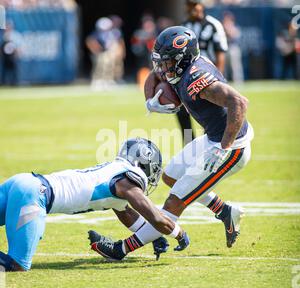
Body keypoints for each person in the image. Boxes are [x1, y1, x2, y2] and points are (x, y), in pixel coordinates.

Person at [93, 26, 254, 261]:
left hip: (231, 147)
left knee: (173, 203)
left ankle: (121, 250)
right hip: (212, 137)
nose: (162, 67)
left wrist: (224, 147)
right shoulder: (179, 69)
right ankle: (224, 211)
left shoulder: (197, 78)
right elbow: (154, 75)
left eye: (167, 62)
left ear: (182, 59)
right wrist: (150, 100)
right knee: (171, 176)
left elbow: (239, 102)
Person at [0, 138, 190, 272]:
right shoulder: (128, 182)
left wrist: (154, 237)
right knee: (18, 264)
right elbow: (157, 218)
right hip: (34, 197)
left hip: (23, 182)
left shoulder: (116, 175)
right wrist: (179, 233)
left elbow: (128, 214)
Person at [177, 0, 229, 145]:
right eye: (189, 5)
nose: (192, 8)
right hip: (186, 78)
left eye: (194, 4)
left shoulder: (213, 25)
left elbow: (220, 53)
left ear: (202, 5)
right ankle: (189, 146)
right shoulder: (184, 26)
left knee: (208, 115)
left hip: (206, 77)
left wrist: (217, 80)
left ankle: (210, 145)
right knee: (182, 113)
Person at [86, 17, 119, 90]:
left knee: (109, 67)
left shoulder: (111, 33)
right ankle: (97, 81)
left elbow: (114, 42)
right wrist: (95, 50)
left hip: (108, 52)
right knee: (99, 67)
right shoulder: (96, 33)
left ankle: (108, 80)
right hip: (100, 52)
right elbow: (90, 41)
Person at [223, 11, 244, 83]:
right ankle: (224, 81)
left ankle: (238, 82)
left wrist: (228, 29)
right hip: (225, 48)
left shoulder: (235, 27)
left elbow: (235, 36)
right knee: (224, 67)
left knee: (235, 67)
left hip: (233, 48)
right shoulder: (222, 27)